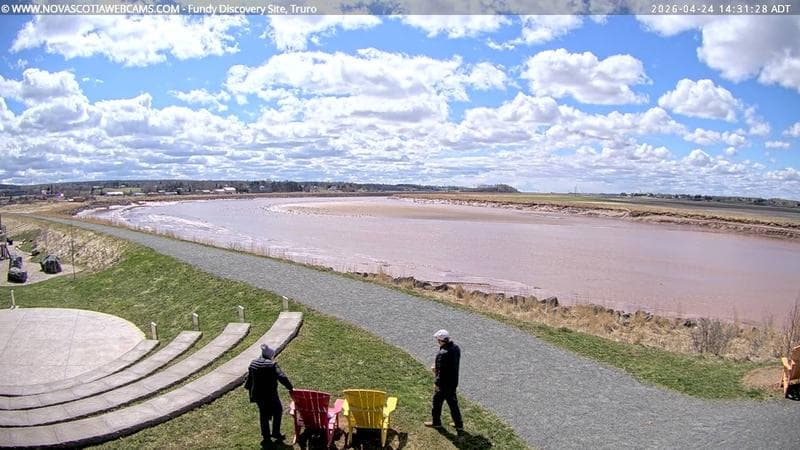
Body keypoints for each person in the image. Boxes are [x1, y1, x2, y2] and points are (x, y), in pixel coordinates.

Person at [244, 344, 294, 449]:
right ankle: (276, 433)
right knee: (278, 411)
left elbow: (249, 379)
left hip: (258, 395)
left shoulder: (253, 363)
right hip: (270, 394)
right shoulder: (272, 365)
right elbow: (282, 377)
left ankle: (266, 437)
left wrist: (248, 389)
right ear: (270, 355)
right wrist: (290, 388)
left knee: (263, 415)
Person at [424, 329, 463, 431]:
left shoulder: (442, 353)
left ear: (440, 340)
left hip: (443, 385)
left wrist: (436, 380)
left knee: (437, 403)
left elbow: (441, 373)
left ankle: (436, 423)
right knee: (453, 404)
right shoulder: (456, 348)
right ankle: (459, 424)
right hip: (453, 382)